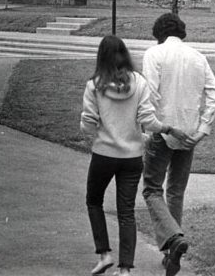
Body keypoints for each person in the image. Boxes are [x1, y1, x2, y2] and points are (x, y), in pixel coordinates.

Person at [80, 36, 188, 276]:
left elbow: (88, 123)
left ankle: (104, 254)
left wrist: (91, 134)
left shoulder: (94, 85)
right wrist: (168, 129)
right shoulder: (139, 82)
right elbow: (148, 120)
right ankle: (126, 269)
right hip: (132, 158)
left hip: (104, 154)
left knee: (94, 201)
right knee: (126, 210)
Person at [141, 13, 215, 276]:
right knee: (176, 190)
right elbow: (214, 94)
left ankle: (173, 240)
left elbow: (150, 94)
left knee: (152, 189)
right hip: (188, 133)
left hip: (162, 130)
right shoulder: (198, 57)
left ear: (159, 33)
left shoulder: (154, 54)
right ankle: (171, 250)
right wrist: (202, 129)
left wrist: (151, 126)